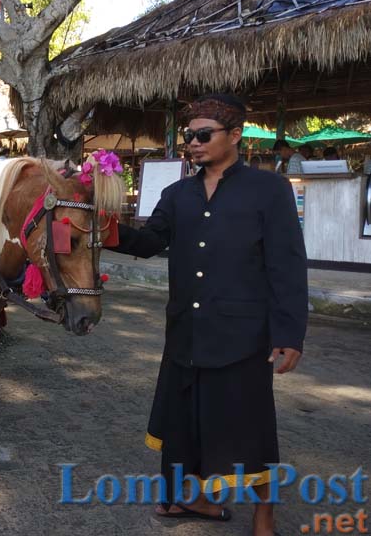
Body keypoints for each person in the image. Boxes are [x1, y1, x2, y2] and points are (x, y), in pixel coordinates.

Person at [108, 94, 307, 536]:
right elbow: (148, 241)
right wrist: (104, 229)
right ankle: (192, 499)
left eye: (203, 135)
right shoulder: (177, 194)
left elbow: (288, 265)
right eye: (189, 136)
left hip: (244, 336)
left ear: (234, 135)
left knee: (250, 428)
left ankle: (264, 515)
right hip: (186, 332)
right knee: (183, 426)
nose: (193, 144)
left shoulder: (269, 190)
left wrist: (290, 333)